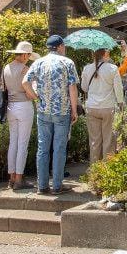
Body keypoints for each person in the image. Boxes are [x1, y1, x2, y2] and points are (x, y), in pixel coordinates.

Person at [22, 34, 79, 195]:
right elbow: (72, 88)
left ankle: (42, 186)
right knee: (59, 148)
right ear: (60, 46)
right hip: (62, 111)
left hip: (43, 111)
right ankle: (57, 186)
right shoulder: (67, 62)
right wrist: (74, 110)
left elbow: (25, 82)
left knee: (43, 148)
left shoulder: (38, 62)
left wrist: (36, 98)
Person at [3, 41, 40, 190]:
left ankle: (11, 178)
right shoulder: (26, 69)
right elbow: (30, 90)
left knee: (13, 142)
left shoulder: (6, 68)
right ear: (25, 55)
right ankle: (19, 178)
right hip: (24, 106)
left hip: (10, 106)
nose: (28, 58)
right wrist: (36, 96)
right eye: (28, 55)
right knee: (22, 144)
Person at [81, 48, 124, 162]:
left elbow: (84, 87)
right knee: (108, 139)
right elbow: (118, 89)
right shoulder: (112, 68)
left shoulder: (87, 68)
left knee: (95, 140)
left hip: (92, 107)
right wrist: (120, 104)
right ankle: (107, 170)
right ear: (104, 54)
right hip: (107, 107)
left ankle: (94, 169)